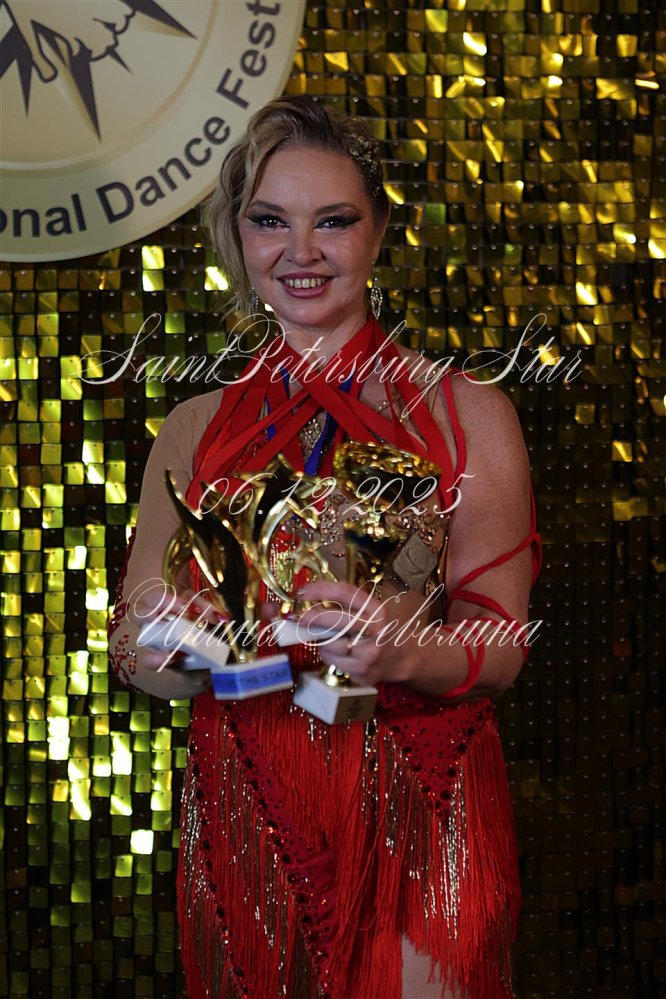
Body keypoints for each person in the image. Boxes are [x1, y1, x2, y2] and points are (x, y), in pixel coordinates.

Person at [108, 94, 541, 999]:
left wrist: (405, 651)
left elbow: (501, 643)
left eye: (333, 221)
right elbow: (135, 650)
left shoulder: (467, 412)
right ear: (237, 236)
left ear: (378, 229)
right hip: (251, 797)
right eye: (270, 221)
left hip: (419, 795)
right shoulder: (193, 427)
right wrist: (172, 648)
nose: (300, 252)